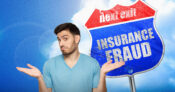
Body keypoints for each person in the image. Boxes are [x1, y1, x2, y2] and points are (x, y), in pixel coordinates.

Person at [16, 23, 125, 92]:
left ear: (76, 39)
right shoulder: (49, 65)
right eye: (59, 40)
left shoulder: (92, 63)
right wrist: (39, 78)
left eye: (65, 38)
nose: (61, 44)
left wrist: (102, 74)